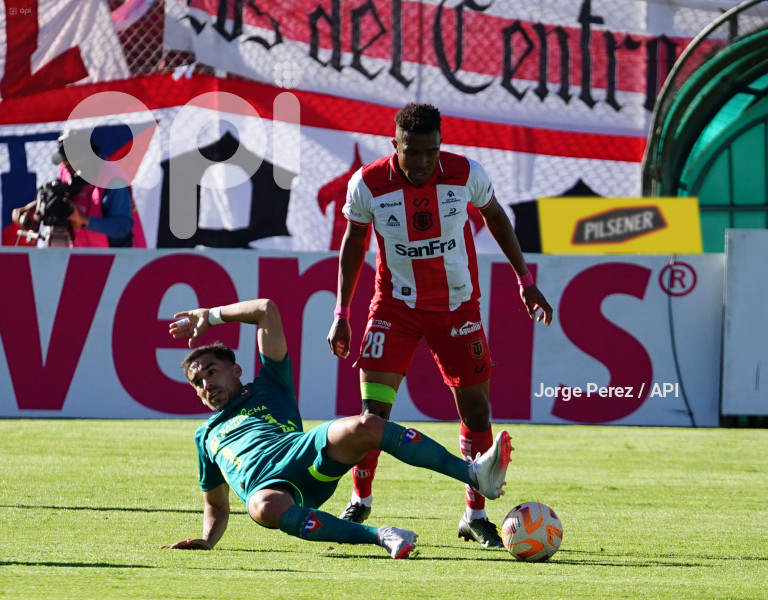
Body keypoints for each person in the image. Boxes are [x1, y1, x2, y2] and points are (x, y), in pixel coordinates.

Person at [326, 102, 552, 549]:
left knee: (477, 413)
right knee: (373, 416)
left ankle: (475, 514)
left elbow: (497, 219)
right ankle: (361, 499)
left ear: (440, 145)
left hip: (457, 308)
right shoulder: (368, 184)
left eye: (430, 151)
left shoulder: (466, 173)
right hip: (394, 308)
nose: (423, 162)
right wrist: (342, 313)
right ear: (396, 145)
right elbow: (353, 244)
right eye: (413, 152)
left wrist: (524, 280)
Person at [162, 298, 513, 559]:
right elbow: (217, 505)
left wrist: (210, 316)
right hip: (270, 487)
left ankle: (473, 473)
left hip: (303, 452)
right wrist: (207, 539)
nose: (206, 383)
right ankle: (383, 536)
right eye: (197, 381)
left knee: (367, 425)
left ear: (235, 371)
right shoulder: (206, 435)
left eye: (211, 371)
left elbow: (266, 310)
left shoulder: (269, 385)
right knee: (264, 508)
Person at [11, 128, 140, 247]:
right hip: (80, 253)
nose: (64, 164)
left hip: (116, 258)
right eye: (64, 160)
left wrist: (84, 220)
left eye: (69, 160)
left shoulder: (113, 181)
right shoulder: (69, 170)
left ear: (86, 158)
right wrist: (38, 205)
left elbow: (122, 227)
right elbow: (67, 191)